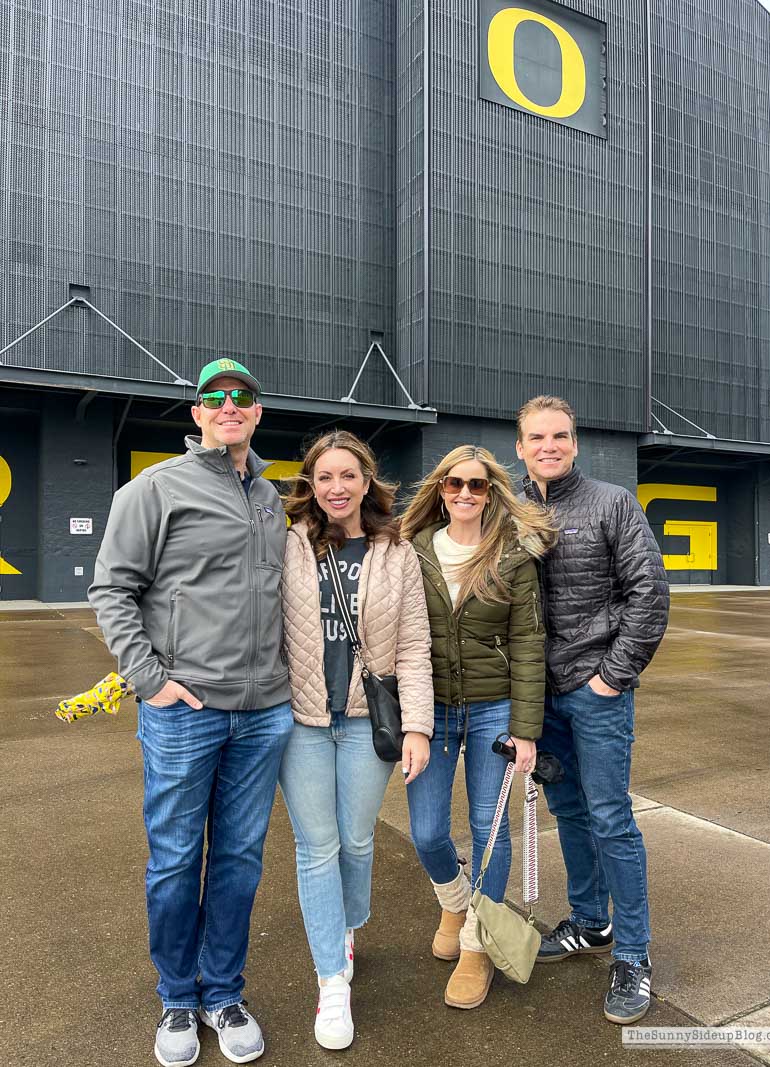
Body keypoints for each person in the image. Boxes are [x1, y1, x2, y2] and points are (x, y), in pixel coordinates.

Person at [89, 358, 293, 1067]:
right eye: (215, 397)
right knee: (176, 859)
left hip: (263, 711)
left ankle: (224, 991)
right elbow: (111, 589)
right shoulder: (153, 489)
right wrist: (150, 680)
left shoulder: (272, 499)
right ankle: (178, 995)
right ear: (197, 413)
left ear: (257, 413)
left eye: (242, 397)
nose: (229, 405)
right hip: (184, 710)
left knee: (238, 860)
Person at [516, 395, 669, 1025]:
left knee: (610, 817)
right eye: (537, 438)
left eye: (560, 436)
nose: (549, 446)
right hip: (541, 697)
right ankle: (589, 920)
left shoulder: (612, 502)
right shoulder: (513, 510)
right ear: (520, 448)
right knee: (571, 810)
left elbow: (649, 593)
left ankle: (633, 953)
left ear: (574, 444)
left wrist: (613, 676)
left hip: (595, 690)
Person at [279, 430, 433, 1050]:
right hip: (302, 720)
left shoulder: (397, 550)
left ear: (367, 482)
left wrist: (418, 724)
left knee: (357, 840)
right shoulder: (287, 543)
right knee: (316, 847)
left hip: (371, 718)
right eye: (324, 477)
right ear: (310, 486)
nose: (336, 487)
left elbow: (416, 645)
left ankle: (347, 926)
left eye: (348, 475)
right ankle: (331, 981)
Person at [399, 445, 556, 1010]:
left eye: (477, 485)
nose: (464, 493)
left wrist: (526, 729)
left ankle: (477, 943)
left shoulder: (513, 556)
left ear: (492, 492)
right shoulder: (409, 550)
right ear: (439, 490)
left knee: (490, 829)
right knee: (426, 833)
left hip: (495, 706)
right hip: (429, 710)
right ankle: (453, 898)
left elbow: (528, 642)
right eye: (453, 484)